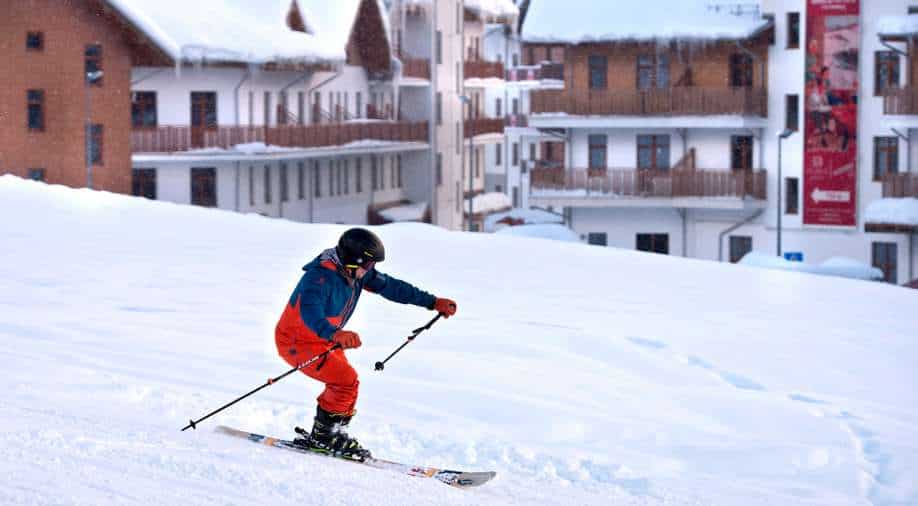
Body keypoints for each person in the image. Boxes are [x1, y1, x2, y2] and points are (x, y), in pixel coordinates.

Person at [274, 228, 457, 460]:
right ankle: (324, 437)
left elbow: (392, 287)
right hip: (297, 341)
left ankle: (334, 433)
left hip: (324, 340)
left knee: (349, 384)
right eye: (368, 265)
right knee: (344, 380)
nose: (371, 270)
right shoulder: (319, 278)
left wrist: (432, 302)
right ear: (352, 261)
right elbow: (310, 312)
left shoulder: (356, 274)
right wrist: (335, 333)